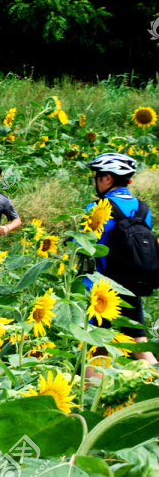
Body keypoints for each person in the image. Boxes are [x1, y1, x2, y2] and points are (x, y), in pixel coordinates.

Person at [81, 153, 158, 372]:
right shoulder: (144, 209)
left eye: (96, 176)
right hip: (132, 284)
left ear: (108, 179)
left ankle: (90, 397)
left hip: (101, 288)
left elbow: (88, 248)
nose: (94, 180)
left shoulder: (98, 209)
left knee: (93, 345)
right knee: (139, 343)